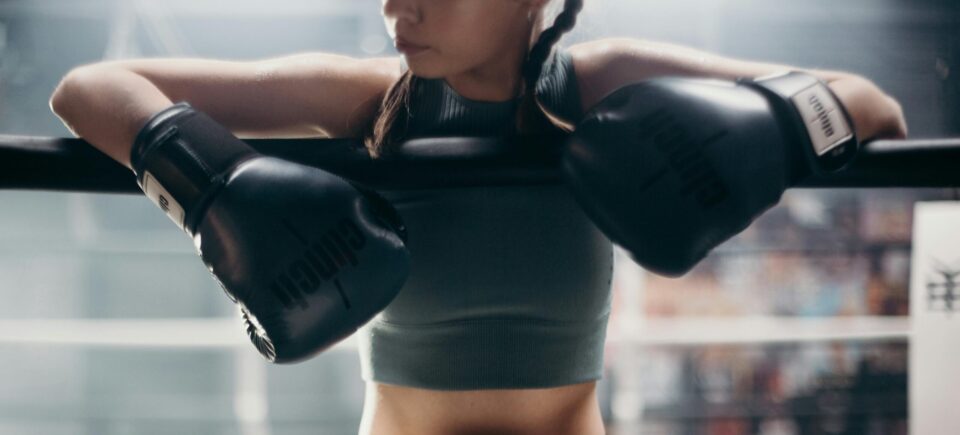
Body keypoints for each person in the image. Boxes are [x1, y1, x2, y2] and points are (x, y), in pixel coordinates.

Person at [48, 0, 908, 433]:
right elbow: (86, 90)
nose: (397, 5)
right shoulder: (368, 99)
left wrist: (770, 130)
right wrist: (216, 182)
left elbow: (869, 104)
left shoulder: (597, 84)